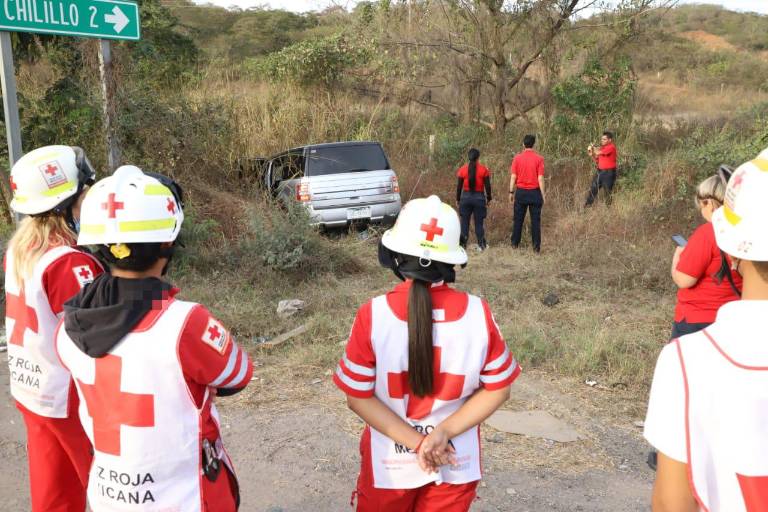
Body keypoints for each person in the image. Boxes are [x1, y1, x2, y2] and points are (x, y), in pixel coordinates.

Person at [56, 166, 253, 511]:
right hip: (185, 497)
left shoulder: (68, 325)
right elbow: (237, 376)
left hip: (108, 496)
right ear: (167, 242)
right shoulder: (185, 322)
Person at [334, 195, 520, 512]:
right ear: (453, 260)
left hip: (389, 467)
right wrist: (442, 433)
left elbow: (357, 398)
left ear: (393, 255)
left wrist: (418, 443)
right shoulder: (479, 313)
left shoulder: (373, 315)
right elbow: (499, 389)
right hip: (454, 461)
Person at [644, 149, 768, 512]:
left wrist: (677, 261)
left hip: (696, 322)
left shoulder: (687, 363)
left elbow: (672, 504)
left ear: (735, 252)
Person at [4, 145, 102, 511]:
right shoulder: (69, 262)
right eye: (84, 192)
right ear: (65, 203)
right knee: (115, 486)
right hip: (69, 396)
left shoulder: (22, 248)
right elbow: (96, 338)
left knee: (55, 493)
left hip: (33, 389)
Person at [670, 172, 741, 339]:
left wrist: (677, 258)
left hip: (698, 320)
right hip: (735, 318)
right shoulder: (747, 230)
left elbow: (684, 280)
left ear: (709, 203)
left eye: (701, 203)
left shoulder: (707, 233)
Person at [509, 134, 546, 252]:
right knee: (535, 221)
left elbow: (513, 177)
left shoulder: (517, 158)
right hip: (535, 193)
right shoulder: (539, 159)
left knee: (518, 220)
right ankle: (536, 248)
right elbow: (540, 178)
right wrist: (543, 194)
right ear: (534, 144)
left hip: (520, 193)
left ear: (523, 144)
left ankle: (514, 244)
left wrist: (511, 192)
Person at [455, 148, 492, 251]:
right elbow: (488, 187)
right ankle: (481, 245)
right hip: (479, 199)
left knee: (464, 223)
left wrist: (458, 199)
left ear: (469, 157)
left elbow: (459, 187)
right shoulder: (484, 170)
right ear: (478, 157)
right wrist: (489, 198)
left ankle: (462, 246)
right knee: (479, 223)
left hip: (465, 198)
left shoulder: (462, 169)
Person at [584, 131, 618, 206]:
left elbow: (598, 152)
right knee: (593, 190)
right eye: (602, 139)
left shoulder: (611, 147)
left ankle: (608, 209)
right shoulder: (602, 148)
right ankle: (586, 208)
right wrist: (592, 154)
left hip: (609, 173)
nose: (602, 140)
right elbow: (597, 160)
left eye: (604, 139)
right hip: (600, 172)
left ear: (610, 140)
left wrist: (592, 148)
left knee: (607, 193)